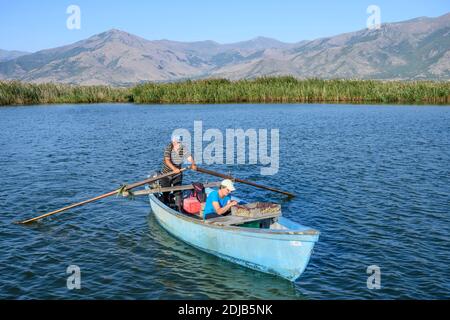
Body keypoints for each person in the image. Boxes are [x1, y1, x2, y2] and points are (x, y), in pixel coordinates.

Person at [160, 135, 197, 206]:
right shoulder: (168, 148)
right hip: (166, 174)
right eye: (177, 143)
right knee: (165, 191)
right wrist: (174, 169)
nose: (179, 144)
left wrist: (193, 164)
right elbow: (167, 161)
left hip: (177, 173)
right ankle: (165, 203)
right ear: (173, 142)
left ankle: (178, 207)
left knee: (177, 192)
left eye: (179, 142)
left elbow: (189, 157)